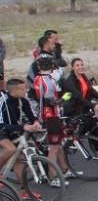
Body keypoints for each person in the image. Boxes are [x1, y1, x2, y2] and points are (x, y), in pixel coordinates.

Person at [30, 55, 70, 184]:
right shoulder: (46, 80)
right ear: (52, 66)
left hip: (52, 115)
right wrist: (61, 99)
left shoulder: (39, 79)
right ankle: (52, 177)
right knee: (53, 147)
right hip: (50, 117)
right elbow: (46, 101)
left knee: (58, 145)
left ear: (38, 67)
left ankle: (64, 170)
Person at [0, 79, 43, 194]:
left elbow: (30, 114)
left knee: (18, 160)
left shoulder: (23, 100)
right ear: (14, 90)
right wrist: (23, 127)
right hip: (1, 129)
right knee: (11, 149)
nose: (26, 91)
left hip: (12, 130)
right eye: (23, 89)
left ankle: (25, 191)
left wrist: (35, 122)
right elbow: (1, 124)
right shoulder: (3, 101)